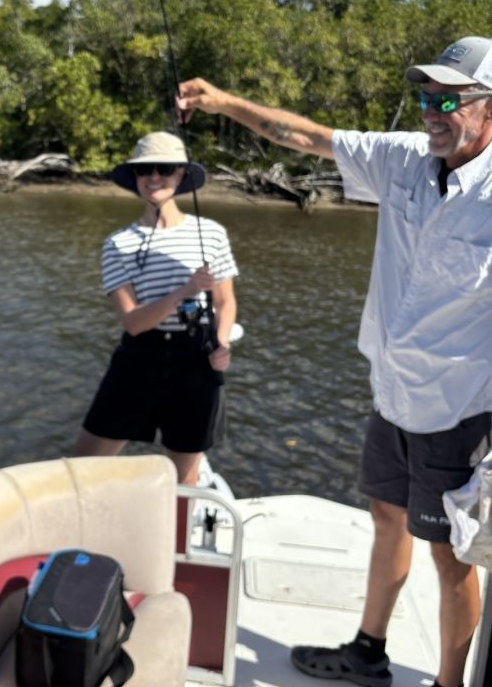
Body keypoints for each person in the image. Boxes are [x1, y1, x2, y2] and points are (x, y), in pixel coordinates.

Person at [176, 36, 492, 687]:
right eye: (426, 96)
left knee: (452, 555)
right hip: (393, 392)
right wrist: (223, 101)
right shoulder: (402, 158)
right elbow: (304, 137)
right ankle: (368, 651)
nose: (431, 111)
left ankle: (449, 683)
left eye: (449, 100)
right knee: (386, 515)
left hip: (459, 407)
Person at [75, 130, 238, 486]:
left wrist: (221, 343)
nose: (154, 178)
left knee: (185, 474)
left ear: (181, 176)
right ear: (134, 178)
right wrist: (184, 290)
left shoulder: (212, 233)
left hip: (195, 360)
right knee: (84, 462)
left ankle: (174, 540)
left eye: (164, 169)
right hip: (139, 357)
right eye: (144, 170)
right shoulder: (117, 244)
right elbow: (133, 322)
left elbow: (226, 302)